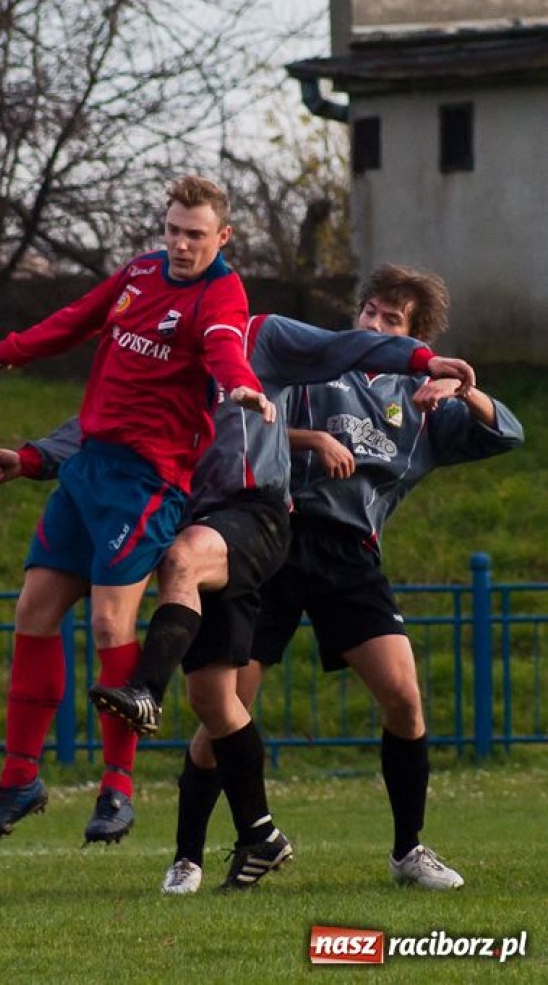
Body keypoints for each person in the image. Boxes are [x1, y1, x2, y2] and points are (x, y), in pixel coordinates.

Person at [0, 303, 477, 889]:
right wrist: (37, 456)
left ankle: (144, 697)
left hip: (265, 522)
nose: (185, 268)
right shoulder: (159, 346)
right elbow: (107, 426)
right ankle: (241, 839)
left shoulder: (266, 337)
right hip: (201, 515)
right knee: (217, 701)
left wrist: (430, 365)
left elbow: (353, 349)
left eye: (197, 244)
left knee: (184, 561)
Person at [157, 263, 524, 894]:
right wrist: (310, 439)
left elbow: (507, 433)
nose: (375, 324)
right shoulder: (315, 363)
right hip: (276, 535)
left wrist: (460, 391)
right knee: (227, 704)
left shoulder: (424, 404)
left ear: (415, 335)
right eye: (371, 312)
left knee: (403, 697)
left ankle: (408, 852)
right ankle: (187, 855)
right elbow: (251, 414)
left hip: (350, 556)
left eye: (392, 319)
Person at [0, 175, 276, 848]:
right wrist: (12, 349)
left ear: (221, 237)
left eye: (194, 234)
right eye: (172, 229)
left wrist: (243, 388)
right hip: (88, 469)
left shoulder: (220, 292)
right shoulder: (139, 273)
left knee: (111, 623)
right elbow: (77, 318)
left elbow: (226, 347)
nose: (180, 243)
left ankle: (117, 789)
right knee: (33, 611)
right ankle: (19, 779)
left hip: (147, 481)